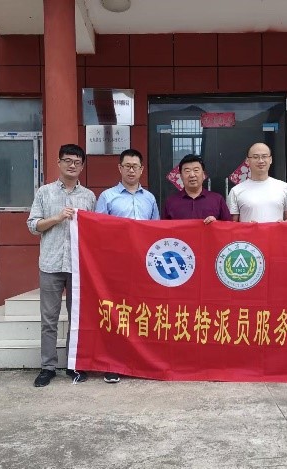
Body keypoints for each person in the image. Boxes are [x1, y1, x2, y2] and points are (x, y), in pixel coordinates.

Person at [27, 144, 96, 387]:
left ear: (82, 166)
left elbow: (95, 231)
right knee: (49, 319)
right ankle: (47, 367)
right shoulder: (44, 193)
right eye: (67, 160)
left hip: (78, 266)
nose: (72, 165)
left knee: (77, 318)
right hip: (51, 264)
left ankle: (74, 364)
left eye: (77, 162)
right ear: (58, 163)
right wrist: (57, 218)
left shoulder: (88, 196)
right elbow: (33, 226)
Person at [95, 148, 160, 383]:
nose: (131, 170)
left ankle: (143, 362)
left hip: (144, 265)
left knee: (142, 312)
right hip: (117, 265)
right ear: (120, 168)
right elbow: (98, 230)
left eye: (135, 166)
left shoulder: (149, 198)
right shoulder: (107, 197)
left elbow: (156, 230)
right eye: (127, 166)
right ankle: (113, 364)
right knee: (117, 313)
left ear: (142, 170)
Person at [227, 142, 287, 223]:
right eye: (255, 157)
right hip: (248, 232)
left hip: (276, 232)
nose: (260, 161)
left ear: (270, 160)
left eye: (264, 156)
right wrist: (246, 226)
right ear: (247, 161)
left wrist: (283, 224)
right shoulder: (236, 191)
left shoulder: (284, 187)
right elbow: (232, 223)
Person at [162, 154, 232, 223]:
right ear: (181, 176)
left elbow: (229, 227)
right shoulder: (171, 202)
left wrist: (217, 224)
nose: (192, 175)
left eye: (196, 170)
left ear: (203, 175)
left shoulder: (217, 200)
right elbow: (163, 228)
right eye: (187, 171)